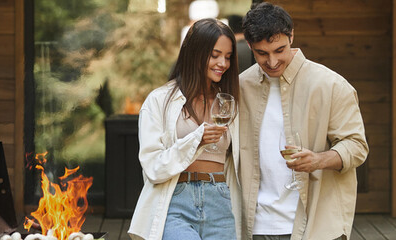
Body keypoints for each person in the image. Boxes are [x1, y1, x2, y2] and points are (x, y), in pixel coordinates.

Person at [237, 3, 369, 240]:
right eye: (262, 53)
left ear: (292, 36)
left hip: (316, 224)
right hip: (255, 226)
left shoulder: (332, 85)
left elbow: (357, 147)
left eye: (279, 50)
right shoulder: (240, 86)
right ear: (249, 46)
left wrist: (318, 160)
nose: (273, 62)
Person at [128, 18, 242, 240]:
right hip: (176, 200)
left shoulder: (228, 102)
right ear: (195, 53)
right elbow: (152, 167)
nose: (223, 63)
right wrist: (196, 140)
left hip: (220, 199)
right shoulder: (159, 100)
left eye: (228, 57)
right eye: (215, 55)